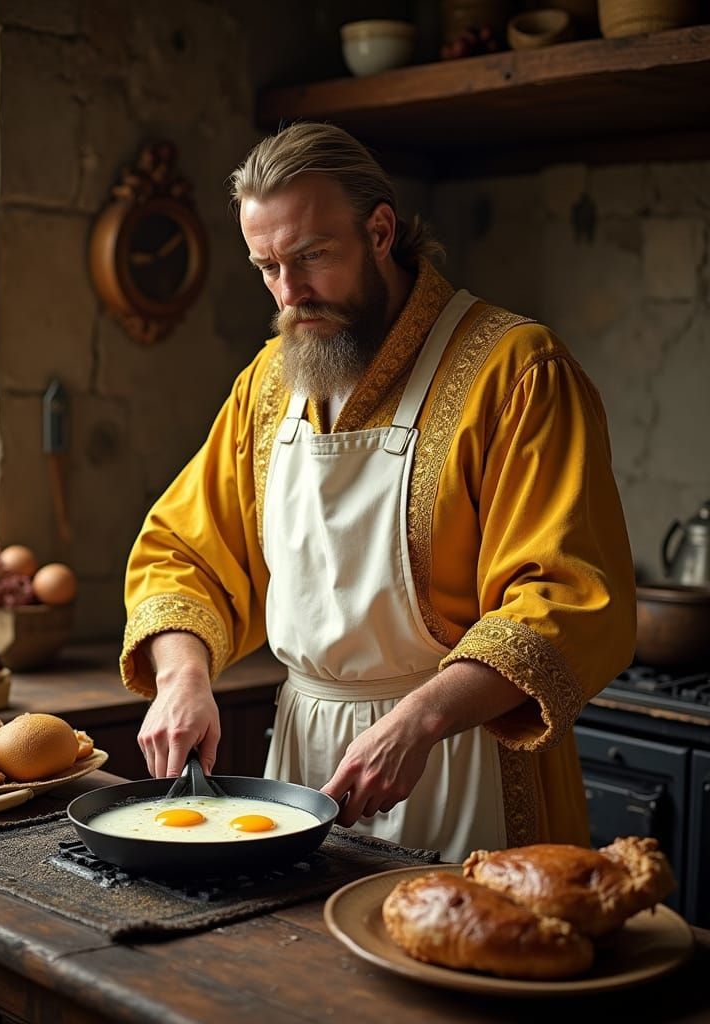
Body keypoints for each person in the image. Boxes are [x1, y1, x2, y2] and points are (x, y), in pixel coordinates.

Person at [121, 122, 636, 861]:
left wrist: (421, 719)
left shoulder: (517, 372)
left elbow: (565, 595)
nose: (288, 293)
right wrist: (181, 676)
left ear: (381, 230)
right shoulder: (269, 383)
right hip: (300, 769)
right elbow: (184, 553)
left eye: (311, 258)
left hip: (465, 757)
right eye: (266, 266)